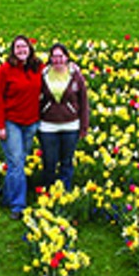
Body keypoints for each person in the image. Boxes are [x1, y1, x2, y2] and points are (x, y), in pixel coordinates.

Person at [0, 35, 42, 219]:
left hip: (31, 121)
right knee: (16, 163)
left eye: (25, 47)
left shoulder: (37, 67)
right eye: (18, 47)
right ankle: (18, 205)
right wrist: (0, 126)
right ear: (13, 50)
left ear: (30, 49)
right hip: (11, 122)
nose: (22, 50)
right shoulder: (5, 71)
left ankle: (7, 195)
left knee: (19, 160)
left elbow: (55, 74)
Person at [38, 43, 90, 192]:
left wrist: (84, 126)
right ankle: (48, 191)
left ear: (66, 57)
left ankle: (64, 193)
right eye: (54, 56)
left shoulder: (75, 75)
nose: (58, 60)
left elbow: (83, 101)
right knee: (49, 161)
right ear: (50, 58)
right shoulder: (43, 74)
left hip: (71, 125)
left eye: (60, 56)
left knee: (66, 161)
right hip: (48, 125)